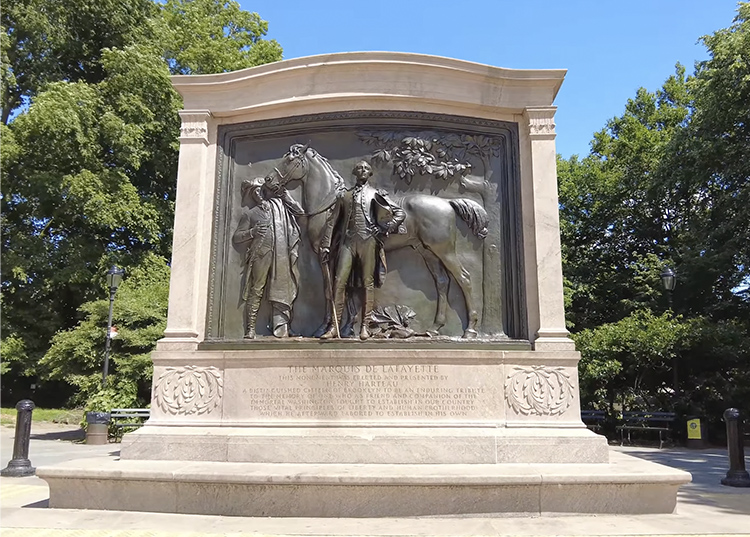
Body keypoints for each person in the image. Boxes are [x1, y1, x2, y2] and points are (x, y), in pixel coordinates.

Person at [320, 160, 405, 340]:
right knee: (339, 282)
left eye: (366, 168)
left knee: (368, 283)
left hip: (368, 241)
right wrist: (326, 245)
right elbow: (332, 222)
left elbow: (400, 213)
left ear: (370, 173)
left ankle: (365, 327)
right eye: (359, 168)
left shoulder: (375, 194)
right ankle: (335, 327)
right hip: (348, 243)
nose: (363, 170)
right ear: (354, 172)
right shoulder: (345, 196)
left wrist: (384, 228)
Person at [233, 177, 303, 338]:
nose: (258, 193)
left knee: (283, 286)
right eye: (254, 191)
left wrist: (287, 197)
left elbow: (299, 211)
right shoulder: (250, 214)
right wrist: (251, 233)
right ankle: (250, 329)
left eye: (260, 190)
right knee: (257, 290)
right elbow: (236, 237)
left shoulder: (279, 207)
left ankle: (283, 326)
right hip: (261, 254)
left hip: (281, 255)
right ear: (252, 195)